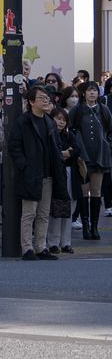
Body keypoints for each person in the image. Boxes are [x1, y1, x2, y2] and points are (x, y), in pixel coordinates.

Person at [8, 86, 69, 260]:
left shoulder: (49, 122)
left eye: (47, 98)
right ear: (31, 101)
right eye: (41, 98)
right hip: (30, 173)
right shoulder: (23, 121)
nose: (46, 100)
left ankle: (40, 247)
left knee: (43, 213)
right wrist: (24, 166)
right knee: (29, 213)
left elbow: (56, 146)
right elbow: (14, 146)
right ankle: (27, 248)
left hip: (48, 173)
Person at [70, 81, 111, 241]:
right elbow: (69, 129)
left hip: (99, 156)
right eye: (89, 90)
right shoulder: (77, 110)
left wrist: (108, 145)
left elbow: (110, 130)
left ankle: (94, 226)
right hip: (83, 157)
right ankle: (85, 226)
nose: (92, 93)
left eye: (94, 90)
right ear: (84, 93)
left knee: (96, 192)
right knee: (83, 192)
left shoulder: (103, 109)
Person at [46, 107, 77, 255]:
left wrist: (67, 153)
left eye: (64, 120)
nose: (61, 122)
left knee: (68, 207)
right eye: (58, 119)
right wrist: (65, 153)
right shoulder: (48, 134)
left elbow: (77, 151)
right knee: (55, 208)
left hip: (69, 173)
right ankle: (53, 242)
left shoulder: (69, 135)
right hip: (54, 174)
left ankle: (66, 242)